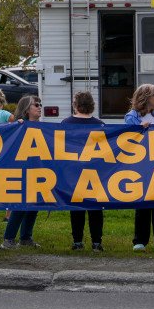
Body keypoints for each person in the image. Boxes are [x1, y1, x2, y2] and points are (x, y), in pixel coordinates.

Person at [124, 84, 154, 252]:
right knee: (143, 202)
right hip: (141, 164)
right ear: (146, 97)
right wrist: (140, 131)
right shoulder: (131, 117)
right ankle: (140, 241)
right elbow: (129, 139)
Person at [59, 91, 107, 250]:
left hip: (73, 172)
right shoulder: (100, 124)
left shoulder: (66, 123)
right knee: (95, 208)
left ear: (75, 104)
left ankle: (77, 242)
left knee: (76, 208)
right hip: (95, 173)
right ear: (92, 105)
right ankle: (96, 243)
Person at [1, 95, 44, 249]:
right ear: (27, 110)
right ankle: (8, 239)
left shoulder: (43, 127)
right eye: (36, 105)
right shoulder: (18, 126)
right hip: (21, 171)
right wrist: (16, 126)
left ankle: (26, 237)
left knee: (34, 204)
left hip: (38, 170)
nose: (39, 107)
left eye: (40, 104)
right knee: (21, 205)